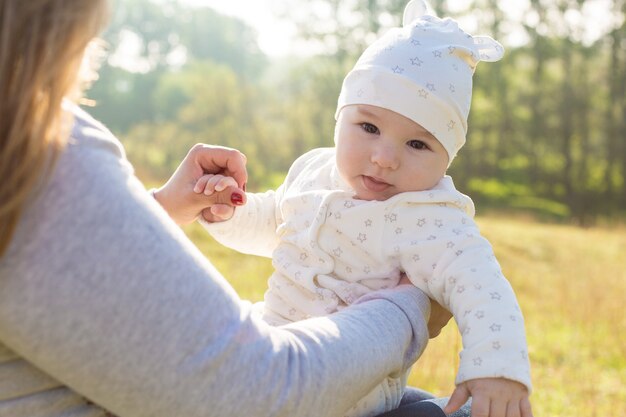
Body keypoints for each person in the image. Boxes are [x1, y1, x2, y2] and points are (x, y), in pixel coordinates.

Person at [0, 1, 454, 416]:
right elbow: (259, 393)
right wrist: (409, 306)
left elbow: (66, 268)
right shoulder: (33, 153)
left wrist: (160, 209)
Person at [170, 2, 534, 417]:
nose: (383, 157)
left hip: (353, 394)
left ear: (447, 157)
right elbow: (274, 222)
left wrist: (498, 368)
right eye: (369, 128)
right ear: (340, 118)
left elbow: (481, 285)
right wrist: (228, 212)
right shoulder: (314, 170)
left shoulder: (429, 214)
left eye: (417, 144)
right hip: (271, 353)